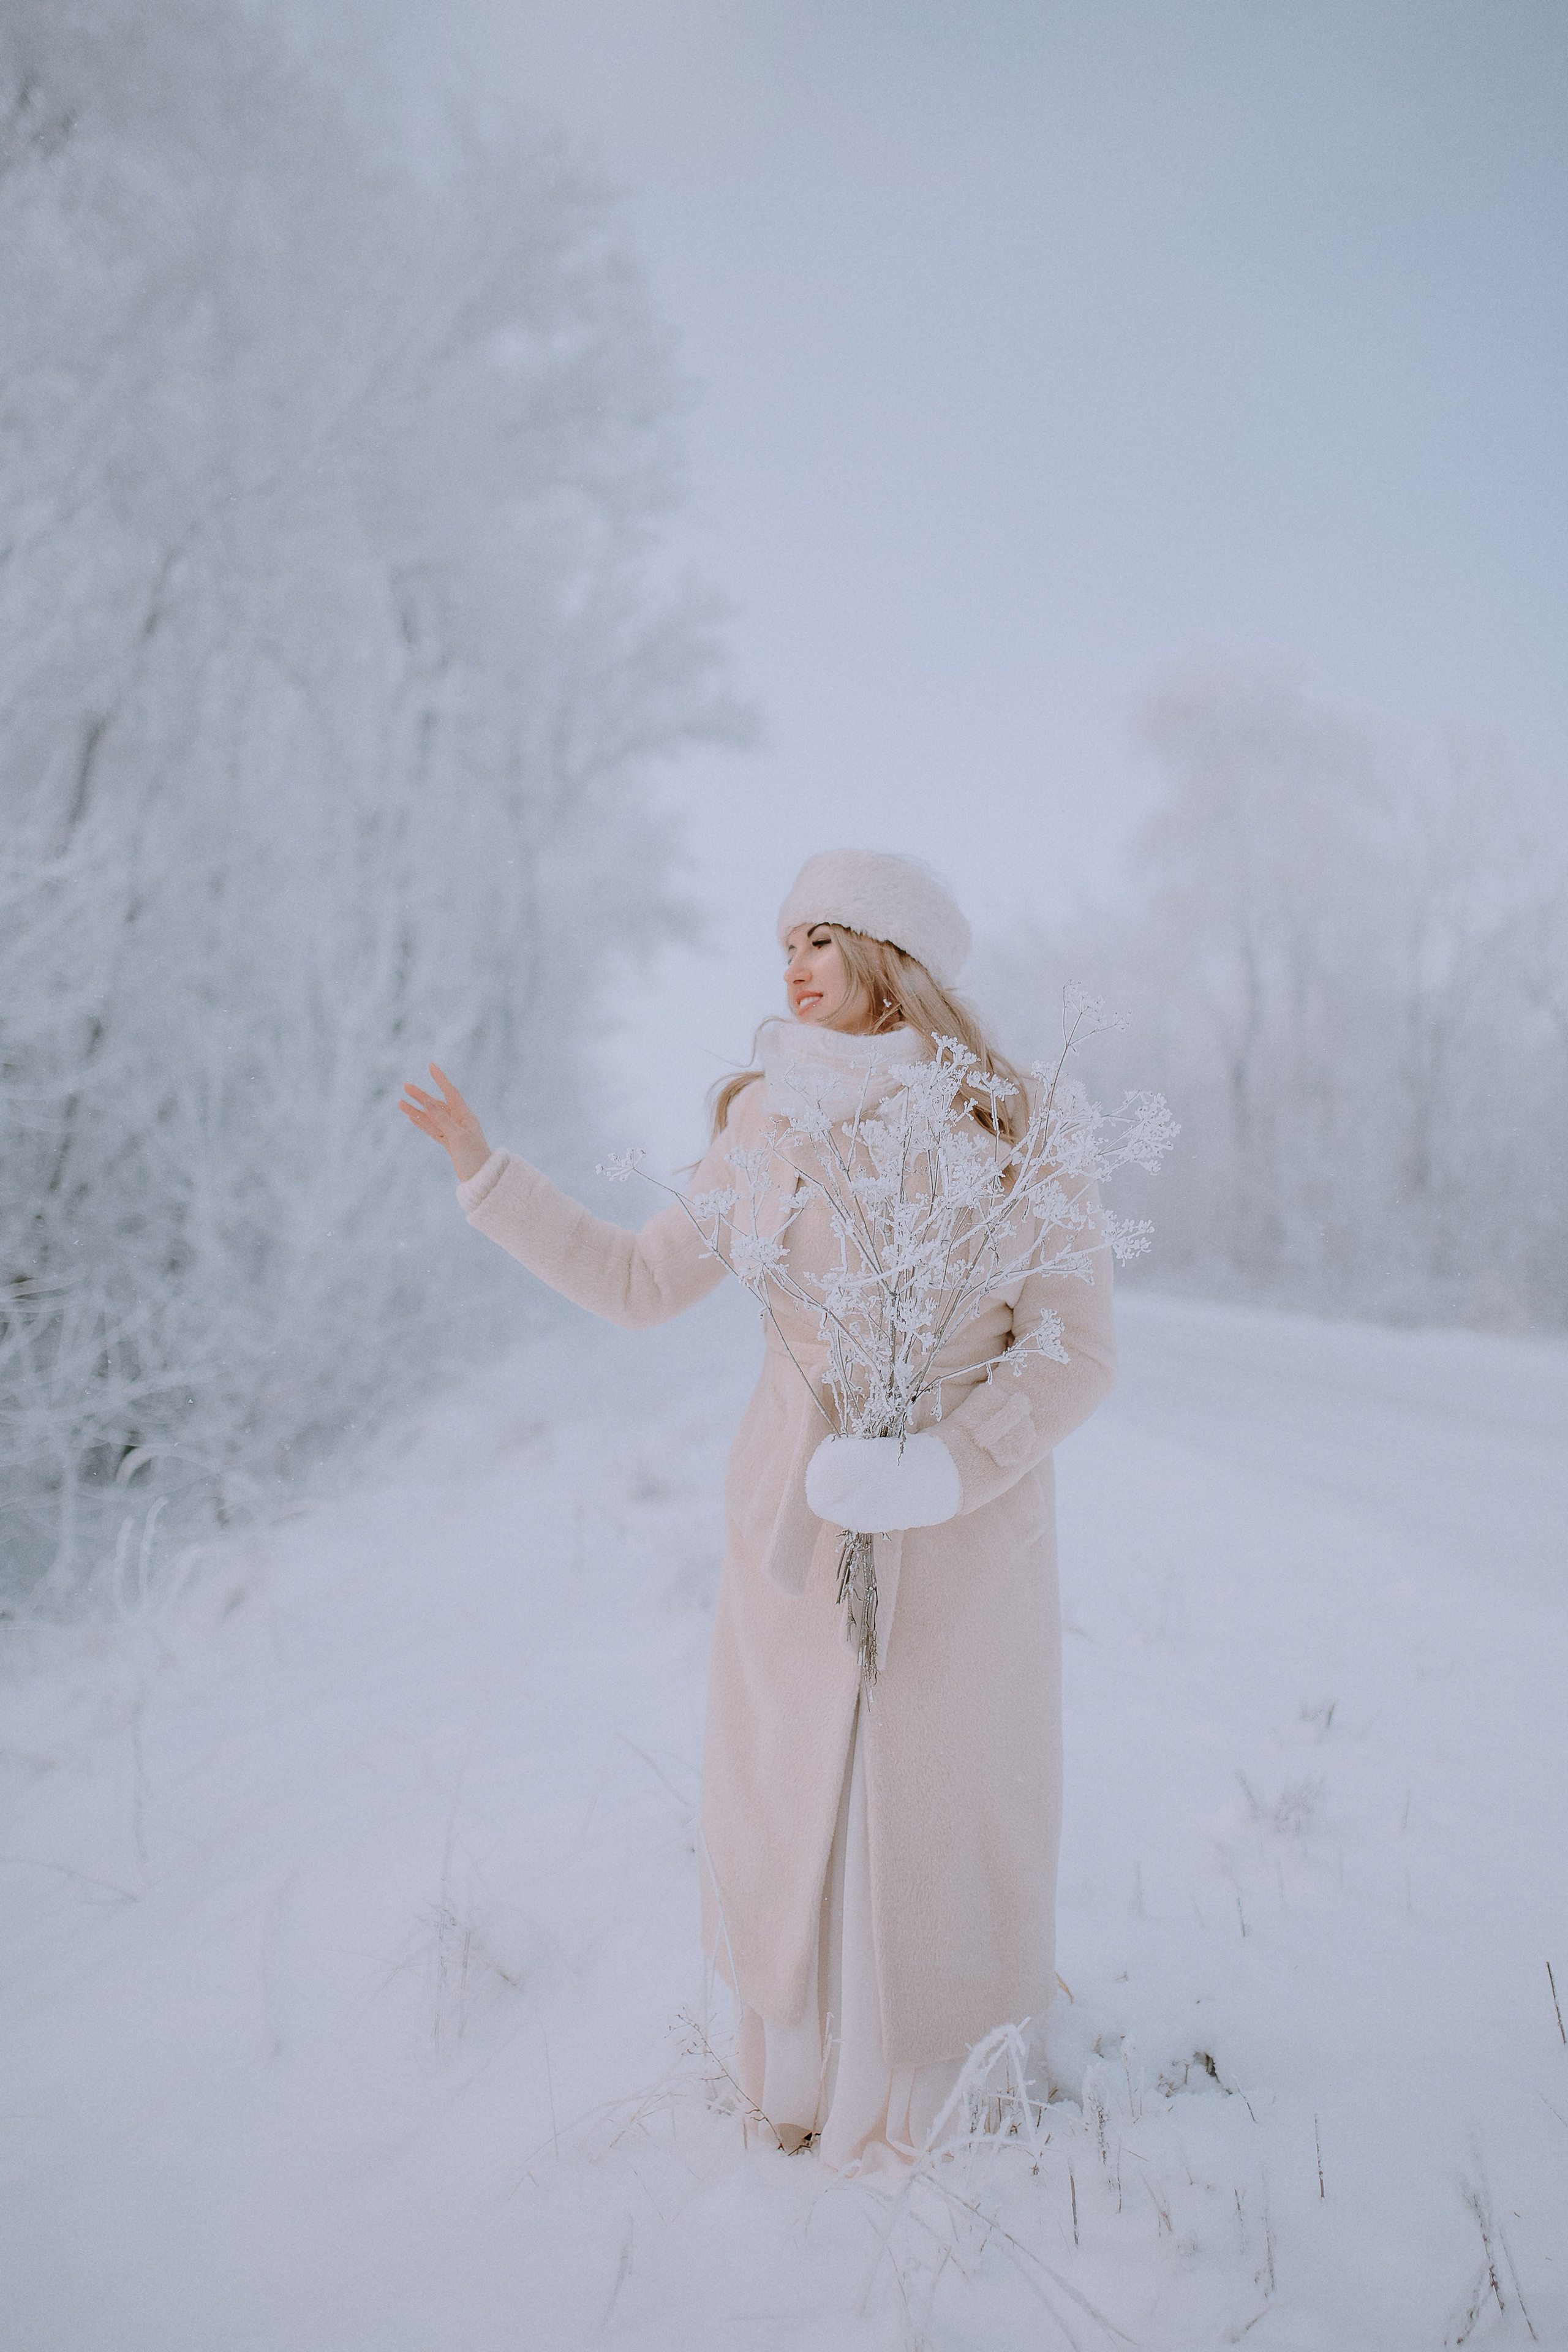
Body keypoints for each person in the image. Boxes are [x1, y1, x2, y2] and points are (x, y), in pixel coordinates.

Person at [401, 848, 1117, 2174]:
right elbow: (633, 1280)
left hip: (962, 1536)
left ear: (892, 961)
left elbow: (1076, 1350)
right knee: (797, 1794)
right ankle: (803, 2079)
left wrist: (948, 1465)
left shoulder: (1016, 1129)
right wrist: (486, 1175)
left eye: (820, 939)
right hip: (796, 1527)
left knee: (950, 1800)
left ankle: (932, 2096)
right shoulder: (764, 1123)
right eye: (782, 940)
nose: (788, 964)